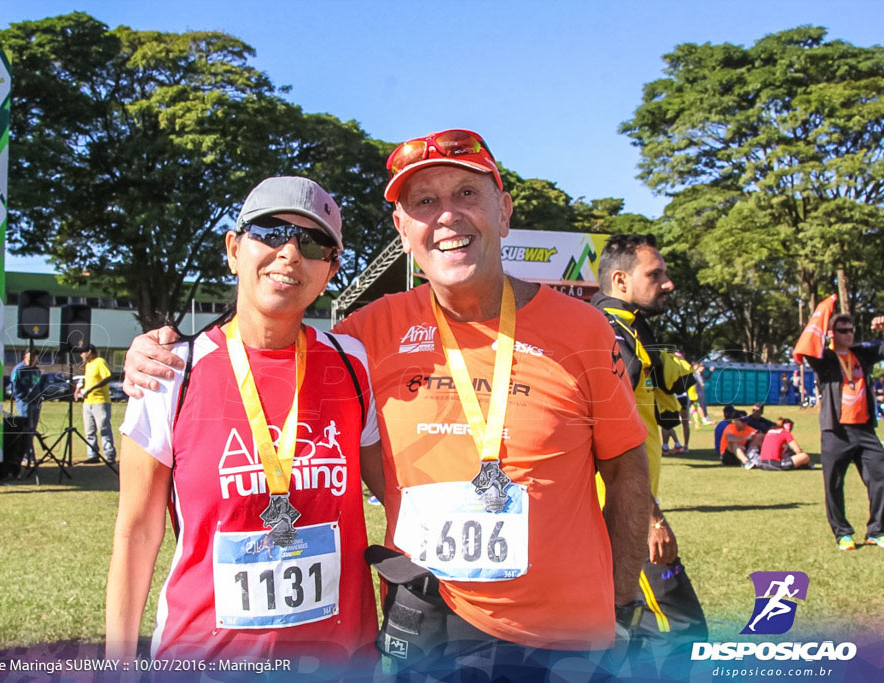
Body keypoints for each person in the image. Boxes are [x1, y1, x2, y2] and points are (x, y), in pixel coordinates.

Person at [123, 129, 652, 675]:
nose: (446, 216)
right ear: (403, 231)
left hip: (566, 637)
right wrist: (159, 352)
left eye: (466, 194)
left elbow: (626, 467)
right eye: (424, 202)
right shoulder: (365, 337)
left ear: (504, 210)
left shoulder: (584, 330)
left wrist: (619, 602)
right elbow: (267, 340)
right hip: (429, 627)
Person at [105, 176, 379, 665]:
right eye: (270, 232)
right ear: (233, 249)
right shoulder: (169, 373)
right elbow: (137, 532)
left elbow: (399, 487)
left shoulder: (352, 363)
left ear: (330, 269)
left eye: (312, 243)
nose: (290, 253)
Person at [592, 234, 709, 657]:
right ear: (620, 280)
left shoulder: (630, 329)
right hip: (623, 514)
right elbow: (604, 435)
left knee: (633, 634)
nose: (668, 283)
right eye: (655, 274)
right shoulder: (608, 332)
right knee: (682, 630)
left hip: (628, 508)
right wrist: (649, 518)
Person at [796, 313, 884, 551]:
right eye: (843, 330)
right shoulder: (825, 358)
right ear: (833, 334)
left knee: (880, 477)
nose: (849, 334)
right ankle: (842, 533)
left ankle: (877, 530)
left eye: (851, 329)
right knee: (834, 483)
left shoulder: (862, 354)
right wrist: (820, 323)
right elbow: (805, 347)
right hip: (836, 431)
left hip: (864, 429)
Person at [75, 344, 117, 464]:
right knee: (89, 431)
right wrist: (81, 388)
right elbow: (89, 381)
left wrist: (92, 389)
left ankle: (109, 455)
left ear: (89, 351)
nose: (81, 355)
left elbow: (108, 376)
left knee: (103, 429)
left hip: (100, 401)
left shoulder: (100, 361)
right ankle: (93, 454)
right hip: (88, 402)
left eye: (83, 352)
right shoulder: (88, 365)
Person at [11, 349, 43, 465]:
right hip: (25, 403)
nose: (33, 360)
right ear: (25, 356)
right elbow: (15, 387)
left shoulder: (36, 370)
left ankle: (30, 454)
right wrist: (23, 397)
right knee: (26, 429)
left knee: (32, 429)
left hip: (36, 403)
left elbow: (39, 385)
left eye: (35, 357)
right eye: (31, 357)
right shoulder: (19, 369)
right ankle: (26, 455)